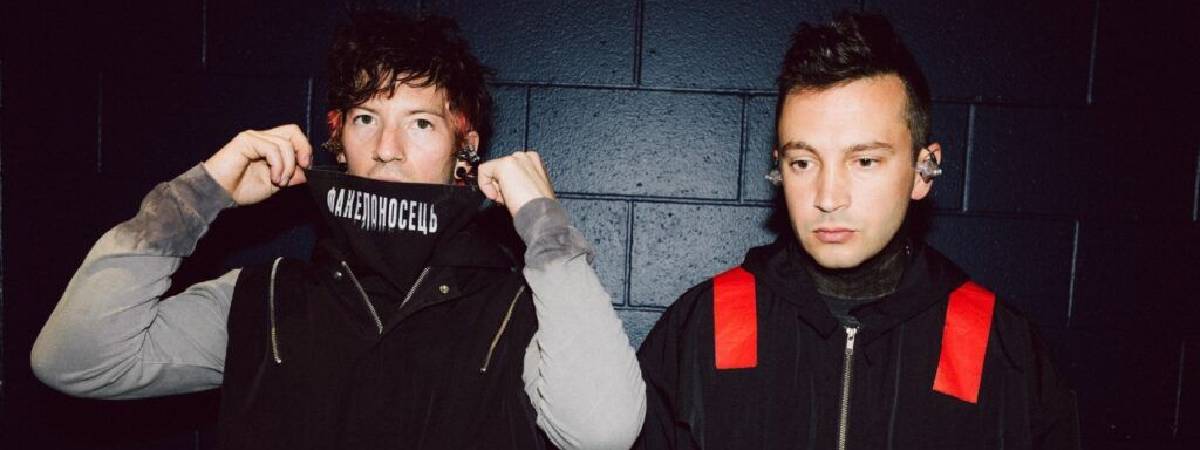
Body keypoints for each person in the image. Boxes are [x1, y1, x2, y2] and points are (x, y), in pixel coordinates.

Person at [31, 10, 644, 450]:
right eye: (366, 117)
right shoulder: (264, 301)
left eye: (421, 123)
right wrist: (200, 193)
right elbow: (75, 360)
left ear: (466, 148)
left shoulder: (522, 311)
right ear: (338, 139)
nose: (387, 148)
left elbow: (605, 431)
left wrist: (546, 229)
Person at [635, 12, 1077, 450]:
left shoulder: (1002, 349)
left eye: (865, 161)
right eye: (803, 162)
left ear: (923, 171)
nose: (828, 197)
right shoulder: (702, 328)